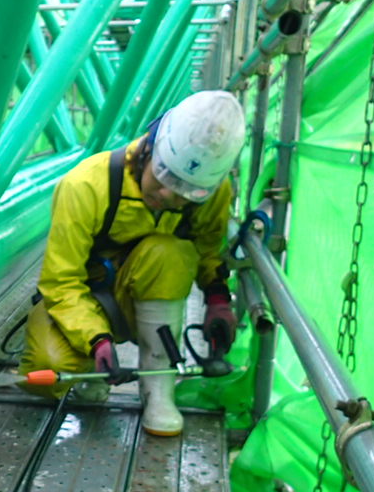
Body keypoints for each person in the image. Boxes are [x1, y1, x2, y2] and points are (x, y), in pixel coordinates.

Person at [18, 89, 246, 436]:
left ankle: (158, 391)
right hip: (87, 299)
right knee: (48, 369)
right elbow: (60, 283)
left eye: (188, 190)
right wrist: (97, 340)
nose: (169, 195)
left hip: (146, 298)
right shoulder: (85, 186)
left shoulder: (213, 193)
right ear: (148, 148)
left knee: (171, 252)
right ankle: (89, 371)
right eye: (166, 177)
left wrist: (217, 299)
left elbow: (207, 250)